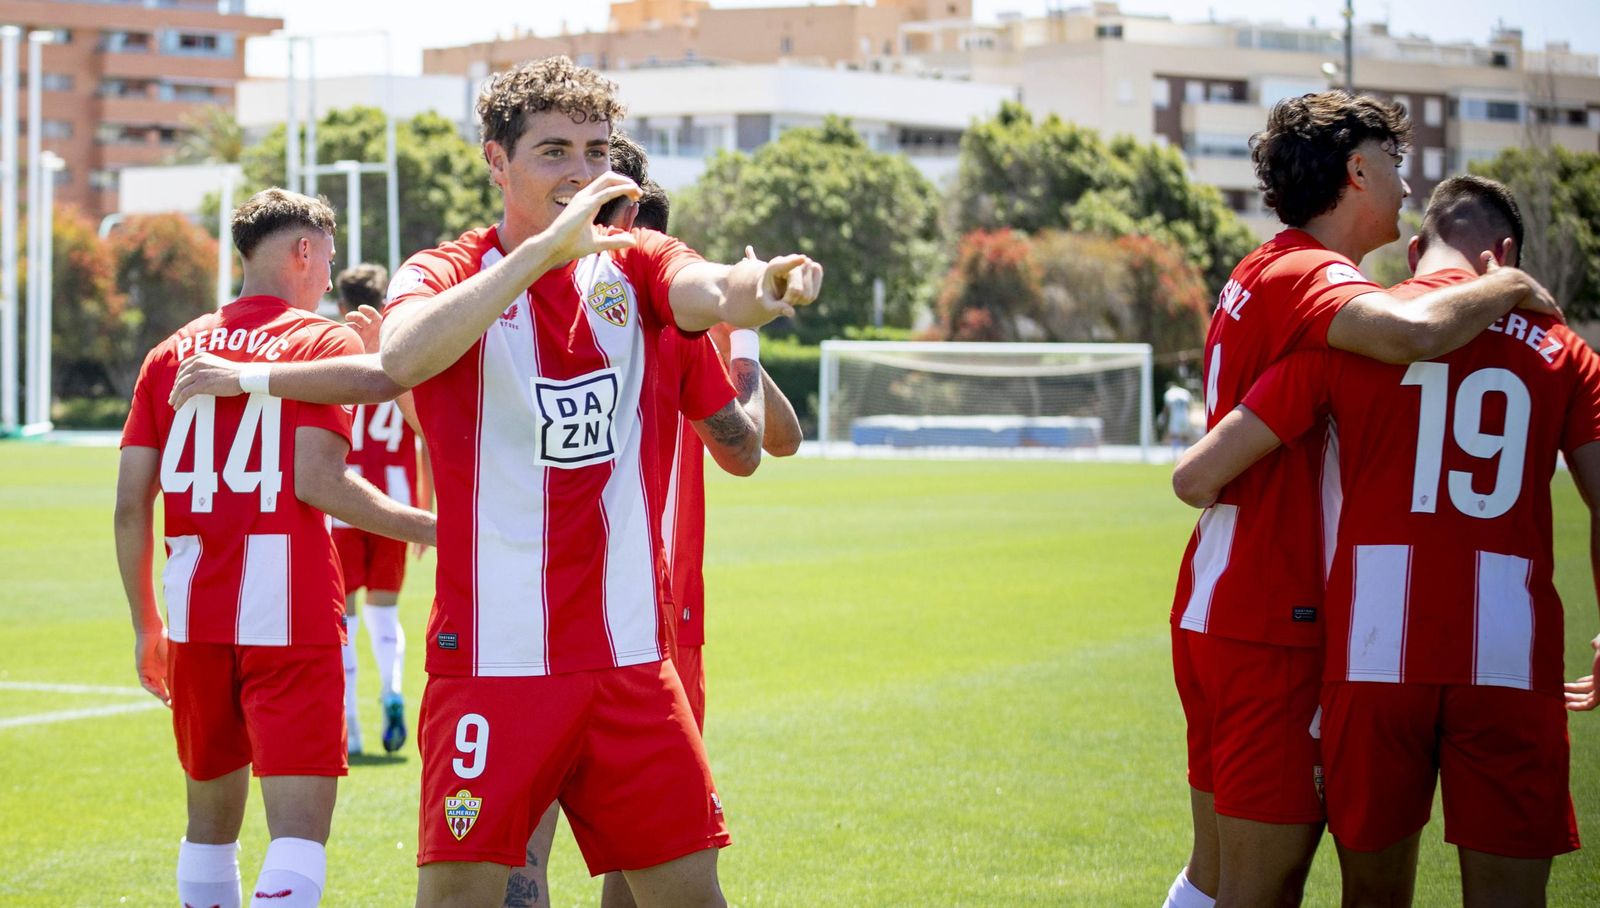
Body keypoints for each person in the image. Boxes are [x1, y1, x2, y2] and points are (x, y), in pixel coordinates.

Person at [166, 56, 822, 908]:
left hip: (629, 662)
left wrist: (760, 286)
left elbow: (711, 291)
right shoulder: (442, 272)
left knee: (691, 897)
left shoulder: (638, 263)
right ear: (496, 161)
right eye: (554, 152)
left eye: (596, 152)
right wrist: (544, 252)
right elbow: (401, 358)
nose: (582, 173)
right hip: (491, 663)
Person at [1163, 92, 1560, 908]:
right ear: (1356, 170)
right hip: (1272, 617)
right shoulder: (1316, 277)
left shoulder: (1263, 264)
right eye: (1395, 164)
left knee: (1213, 876)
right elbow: (1416, 334)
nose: (1406, 185)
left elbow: (1200, 476)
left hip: (1217, 597)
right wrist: (1510, 284)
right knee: (1258, 889)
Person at [503, 137, 806, 908]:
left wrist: (731, 326)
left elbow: (781, 438)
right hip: (648, 616)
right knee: (652, 848)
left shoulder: (508, 303)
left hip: (523, 606)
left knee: (522, 847)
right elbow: (754, 449)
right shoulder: (668, 323)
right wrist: (743, 337)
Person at [113, 188, 437, 908]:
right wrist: (436, 528)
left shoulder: (169, 352)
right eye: (327, 259)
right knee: (296, 837)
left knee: (208, 832)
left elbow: (131, 502)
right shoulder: (320, 342)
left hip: (194, 616)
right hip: (290, 613)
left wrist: (145, 625)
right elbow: (318, 481)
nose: (329, 276)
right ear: (302, 251)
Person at [330, 263, 432, 755]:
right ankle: (391, 691)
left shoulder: (334, 357)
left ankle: (349, 725)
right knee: (386, 612)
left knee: (343, 618)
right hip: (396, 501)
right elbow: (426, 437)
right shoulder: (401, 358)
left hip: (344, 501)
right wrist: (426, 507)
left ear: (342, 308)